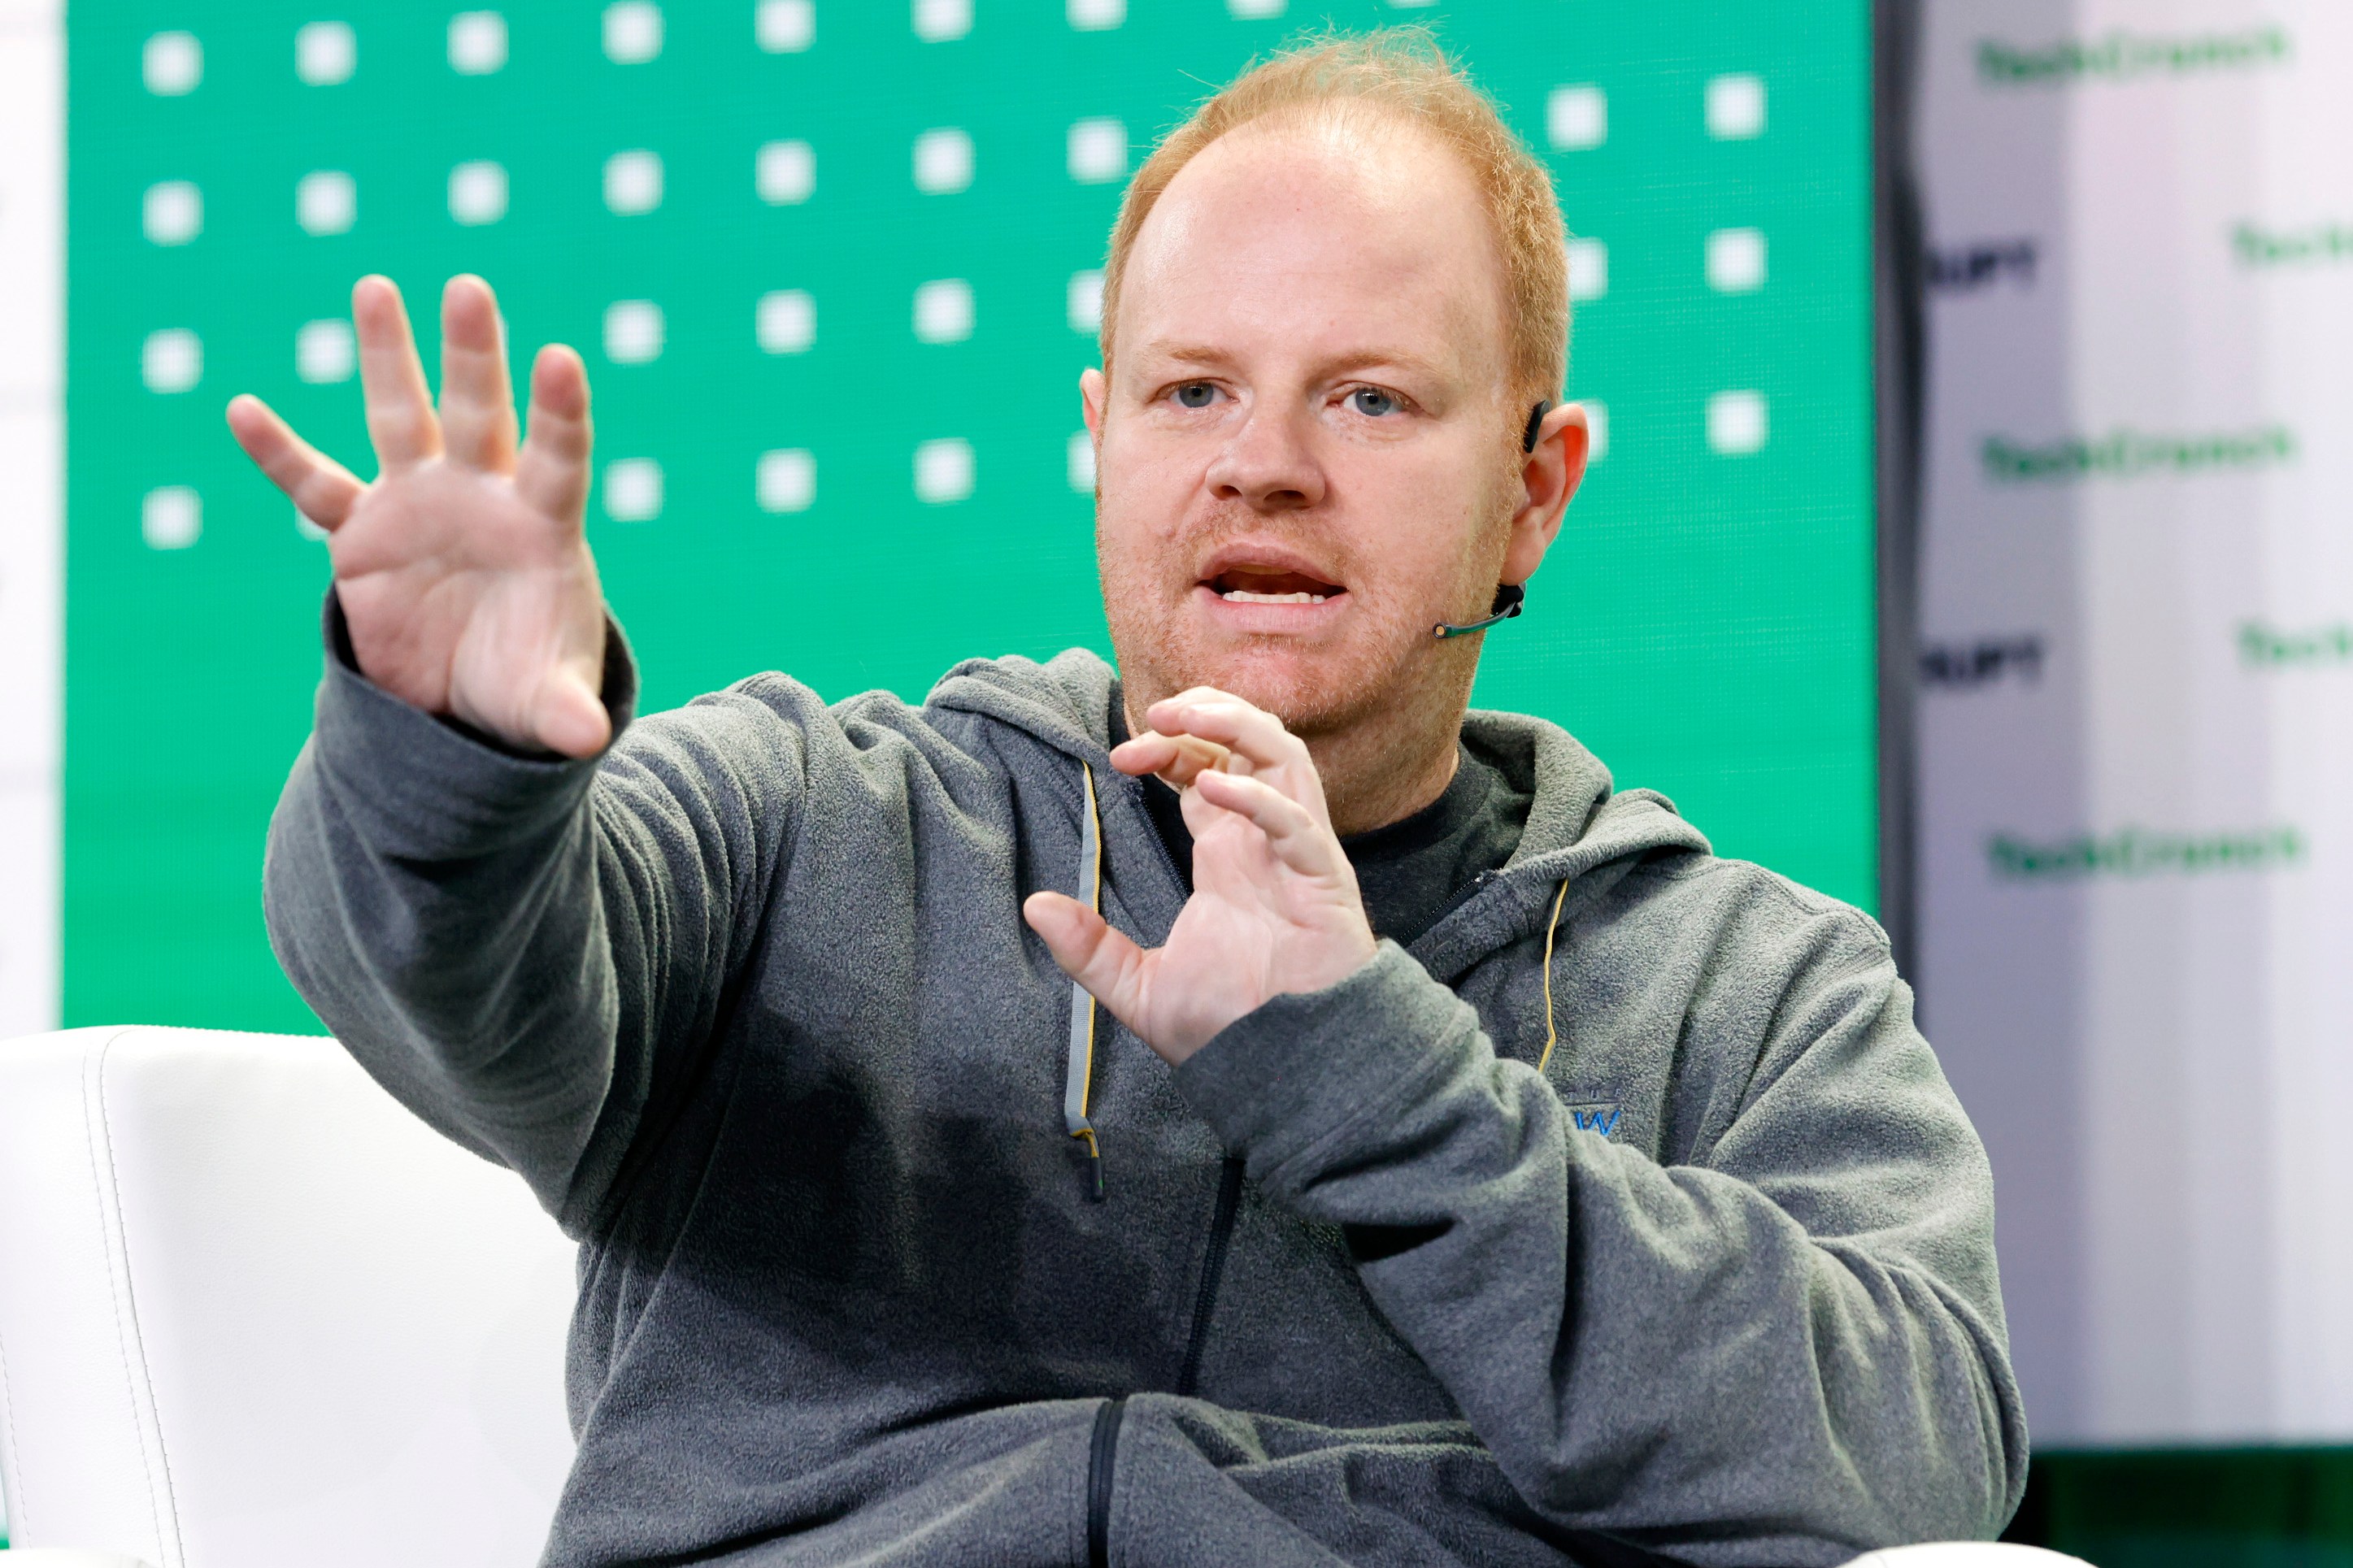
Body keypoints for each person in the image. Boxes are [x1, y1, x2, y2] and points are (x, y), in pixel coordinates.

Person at [231, 31, 2025, 1568]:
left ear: (1533, 487)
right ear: (1107, 435)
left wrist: (1367, 1068)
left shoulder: (1750, 985)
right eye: (1192, 390)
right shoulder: (816, 823)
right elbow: (466, 990)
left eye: (1371, 397)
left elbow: (1920, 1453)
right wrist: (455, 763)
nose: (1262, 461)